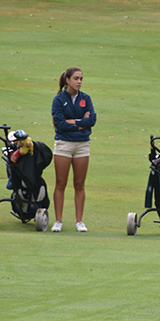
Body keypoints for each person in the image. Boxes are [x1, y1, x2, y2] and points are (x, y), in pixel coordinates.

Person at [51, 67, 96, 232]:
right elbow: (60, 124)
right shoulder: (59, 99)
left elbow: (91, 120)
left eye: (81, 79)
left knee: (79, 183)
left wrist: (73, 122)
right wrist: (80, 124)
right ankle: (58, 221)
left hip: (82, 145)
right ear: (68, 80)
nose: (79, 82)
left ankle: (79, 221)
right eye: (76, 78)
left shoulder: (86, 98)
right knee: (61, 183)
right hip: (64, 144)